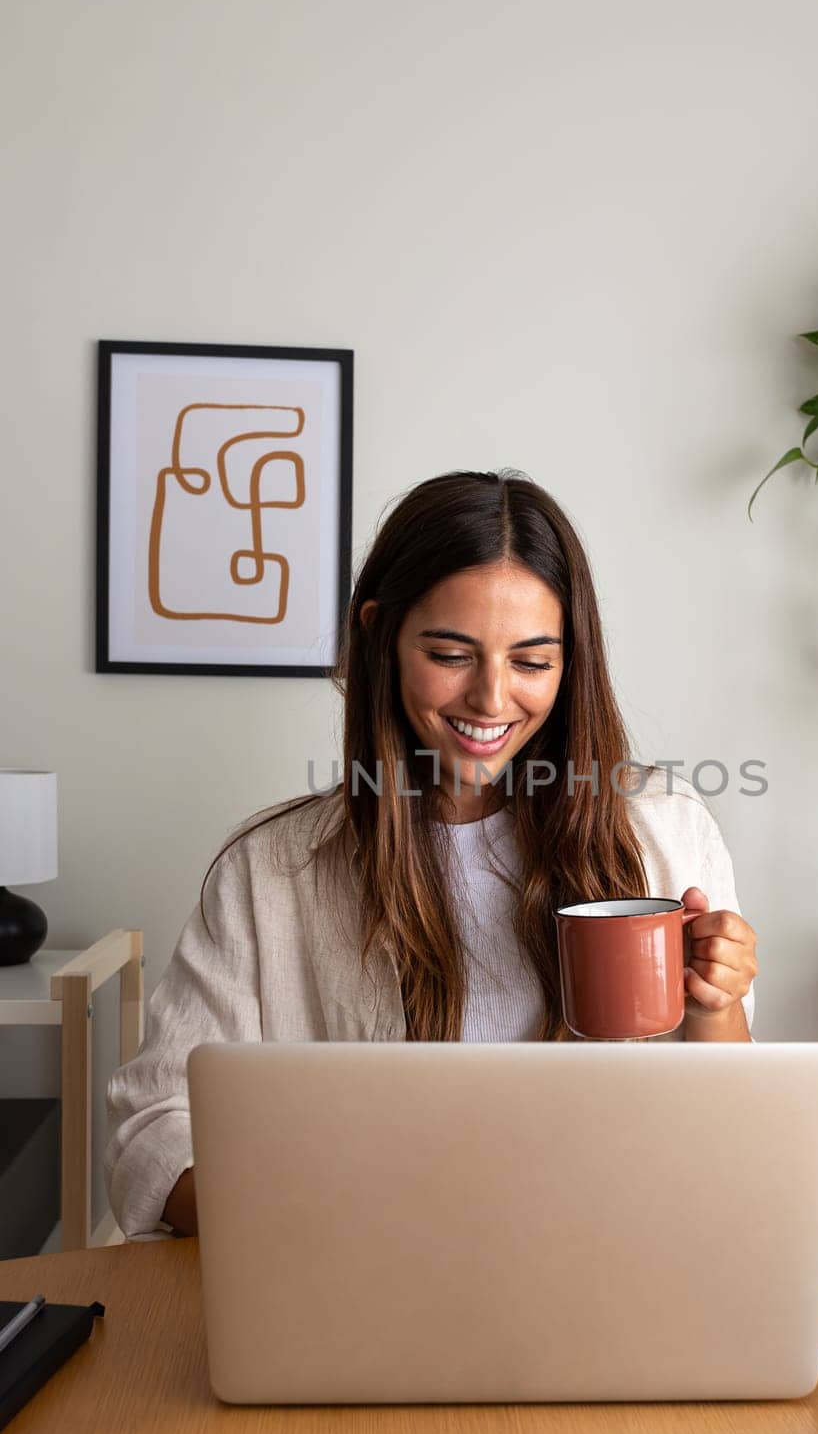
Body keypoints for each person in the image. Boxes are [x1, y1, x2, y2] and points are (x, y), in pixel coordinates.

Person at [104, 470, 758, 1241]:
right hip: (366, 1272)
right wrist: (322, 1214)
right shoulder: (274, 870)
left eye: (531, 661)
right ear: (381, 634)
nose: (490, 699)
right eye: (451, 653)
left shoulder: (662, 828)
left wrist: (714, 1001)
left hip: (612, 1250)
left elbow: (732, 1133)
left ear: (570, 661)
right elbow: (154, 1125)